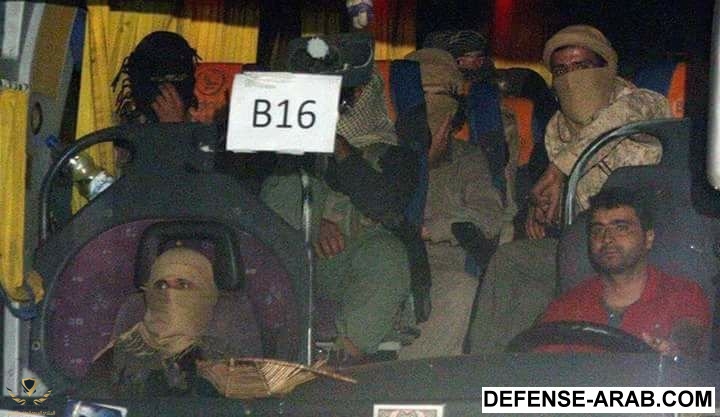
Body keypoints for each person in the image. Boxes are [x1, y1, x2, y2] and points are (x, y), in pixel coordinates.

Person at [467, 24, 671, 353]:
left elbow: (613, 124)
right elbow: (572, 205)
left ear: (606, 67)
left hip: (648, 245)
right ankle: (489, 368)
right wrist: (545, 210)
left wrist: (559, 169)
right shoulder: (556, 129)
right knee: (511, 260)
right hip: (585, 241)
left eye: (582, 66)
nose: (572, 78)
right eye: (561, 71)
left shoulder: (645, 103)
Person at [261, 33, 416, 362]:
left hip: (344, 265)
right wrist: (313, 223)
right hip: (283, 254)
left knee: (387, 254)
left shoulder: (394, 154)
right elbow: (260, 202)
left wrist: (339, 148)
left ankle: (342, 362)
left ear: (359, 94)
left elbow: (386, 206)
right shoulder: (278, 135)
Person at [398, 48, 503, 358]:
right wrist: (421, 165)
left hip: (440, 267)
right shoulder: (386, 149)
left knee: (461, 289)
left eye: (439, 95)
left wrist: (435, 229)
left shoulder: (467, 158)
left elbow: (489, 214)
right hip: (388, 261)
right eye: (423, 95)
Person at [538, 187, 711, 357]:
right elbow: (534, 360)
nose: (607, 239)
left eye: (621, 228)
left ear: (648, 238)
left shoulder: (683, 295)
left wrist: (674, 349)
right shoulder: (568, 306)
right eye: (597, 230)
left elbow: (688, 338)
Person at [84, 248, 221, 397]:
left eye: (183, 285)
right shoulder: (118, 355)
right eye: (161, 285)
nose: (169, 295)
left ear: (205, 293)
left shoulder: (225, 356)